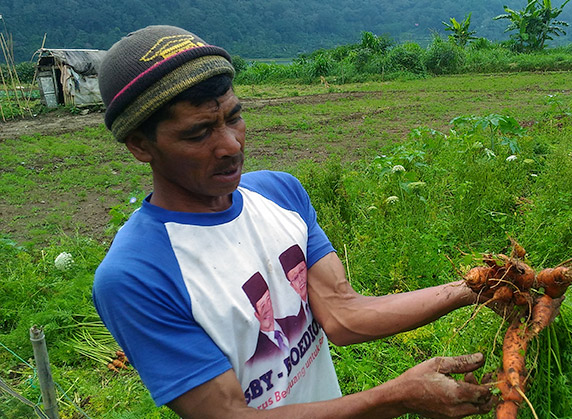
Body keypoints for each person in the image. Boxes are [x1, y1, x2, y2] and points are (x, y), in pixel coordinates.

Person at [92, 25, 504, 418]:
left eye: (233, 117)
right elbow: (229, 414)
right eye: (199, 133)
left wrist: (475, 288)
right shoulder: (138, 274)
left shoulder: (279, 194)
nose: (231, 145)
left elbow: (344, 314)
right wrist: (396, 398)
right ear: (140, 145)